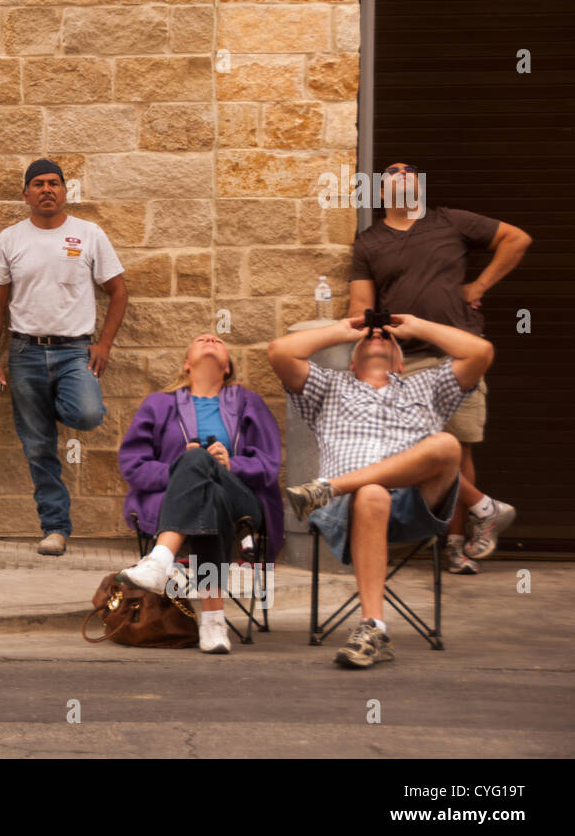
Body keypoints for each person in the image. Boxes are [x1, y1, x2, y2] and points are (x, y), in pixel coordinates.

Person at [268, 312, 493, 668]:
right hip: (348, 510)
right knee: (371, 491)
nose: (377, 335)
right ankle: (373, 627)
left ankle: (327, 487)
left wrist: (418, 326)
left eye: (387, 337)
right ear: (352, 363)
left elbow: (480, 352)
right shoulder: (329, 387)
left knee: (448, 446)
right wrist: (342, 330)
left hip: (414, 505)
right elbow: (280, 352)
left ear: (401, 364)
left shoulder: (428, 386)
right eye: (367, 338)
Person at [348, 163, 531, 572]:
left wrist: (478, 286)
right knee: (409, 446)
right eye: (391, 172)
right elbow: (359, 308)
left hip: (457, 352)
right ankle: (485, 508)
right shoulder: (369, 241)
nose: (401, 173)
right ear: (379, 194)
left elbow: (517, 239)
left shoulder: (449, 220)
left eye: (409, 171)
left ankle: (456, 544)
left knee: (458, 445)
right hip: (406, 358)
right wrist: (365, 352)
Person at [0, 158, 128, 556]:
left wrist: (104, 344)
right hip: (25, 352)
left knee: (87, 413)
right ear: (26, 193)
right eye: (39, 184)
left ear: (65, 191)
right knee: (38, 447)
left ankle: (46, 410)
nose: (47, 190)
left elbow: (118, 291)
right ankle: (55, 528)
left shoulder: (89, 234)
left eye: (54, 183)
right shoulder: (10, 239)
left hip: (74, 351)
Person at [115, 333, 284, 653]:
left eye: (217, 340)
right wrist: (182, 469)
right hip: (179, 501)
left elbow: (269, 463)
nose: (209, 339)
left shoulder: (248, 402)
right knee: (208, 493)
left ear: (227, 367)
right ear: (186, 364)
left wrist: (231, 465)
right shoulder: (159, 404)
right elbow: (132, 465)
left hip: (241, 499)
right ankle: (213, 621)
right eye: (201, 339)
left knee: (203, 468)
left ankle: (159, 560)